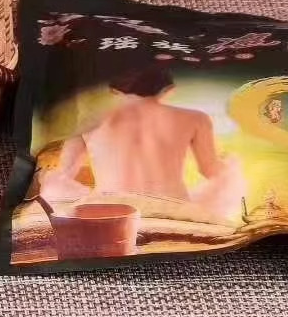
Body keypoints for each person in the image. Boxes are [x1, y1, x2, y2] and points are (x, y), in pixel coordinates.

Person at [39, 65, 245, 224]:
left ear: (114, 90)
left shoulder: (90, 121)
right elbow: (211, 171)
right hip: (173, 210)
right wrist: (229, 163)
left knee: (53, 184)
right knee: (231, 173)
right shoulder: (195, 118)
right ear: (169, 89)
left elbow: (64, 174)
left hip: (114, 210)